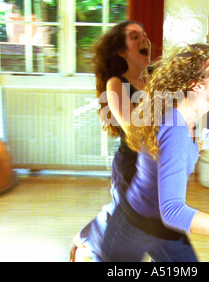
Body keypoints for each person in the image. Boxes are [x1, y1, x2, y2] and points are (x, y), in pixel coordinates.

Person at [99, 42, 209, 262]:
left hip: (160, 227)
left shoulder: (185, 119)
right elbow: (173, 211)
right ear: (197, 85)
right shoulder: (175, 127)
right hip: (133, 228)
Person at [70, 20, 151, 261]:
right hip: (131, 165)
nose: (143, 38)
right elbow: (132, 129)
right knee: (132, 219)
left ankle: (88, 238)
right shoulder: (116, 83)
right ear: (121, 51)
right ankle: (89, 241)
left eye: (144, 34)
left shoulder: (156, 80)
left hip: (154, 161)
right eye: (134, 36)